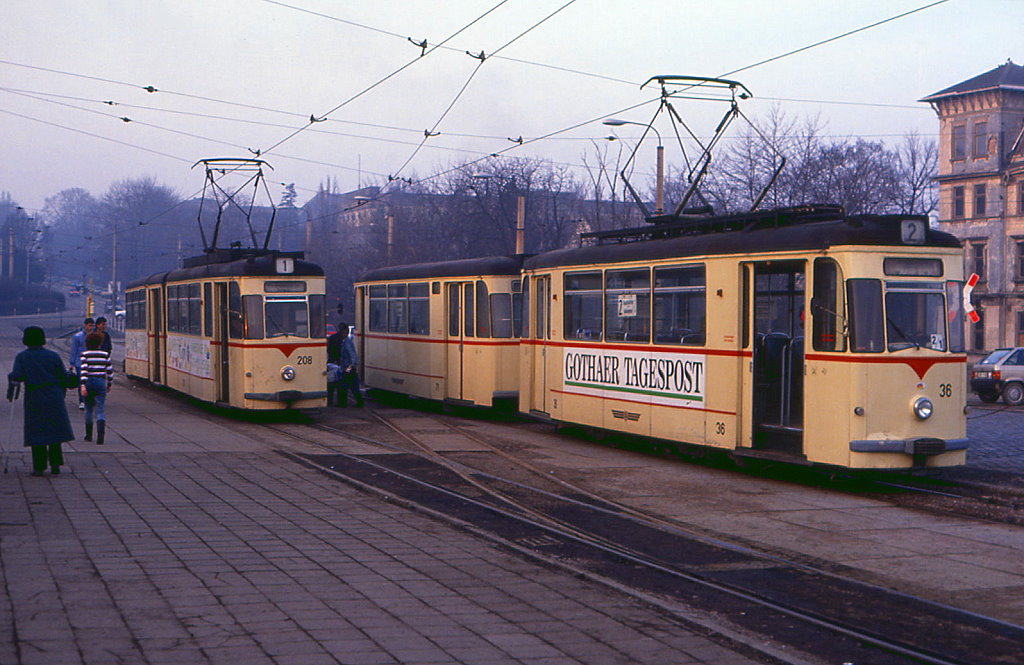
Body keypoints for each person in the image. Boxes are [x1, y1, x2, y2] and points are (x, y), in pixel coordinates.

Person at [7, 326, 76, 476]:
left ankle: (39, 467)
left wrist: (11, 380)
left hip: (34, 397)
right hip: (54, 396)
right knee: (54, 431)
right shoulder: (53, 356)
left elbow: (17, 376)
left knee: (37, 431)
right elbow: (63, 377)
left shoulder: (22, 357)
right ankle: (56, 464)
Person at [79, 332, 113, 445]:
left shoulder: (85, 354)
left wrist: (83, 385)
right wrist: (109, 384)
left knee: (88, 409)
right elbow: (110, 372)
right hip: (100, 382)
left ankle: (88, 435)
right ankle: (100, 436)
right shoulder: (105, 354)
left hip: (89, 382)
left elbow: (84, 371)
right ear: (100, 342)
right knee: (100, 409)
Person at [68, 317, 95, 411]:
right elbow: (73, 350)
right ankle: (82, 401)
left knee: (90, 381)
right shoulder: (77, 337)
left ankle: (89, 399)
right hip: (80, 362)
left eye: (92, 326)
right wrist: (72, 363)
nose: (90, 328)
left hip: (91, 361)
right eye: (89, 326)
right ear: (85, 325)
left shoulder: (93, 336)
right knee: (82, 382)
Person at [337, 323, 364, 408]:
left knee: (344, 387)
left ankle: (343, 403)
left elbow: (352, 356)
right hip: (348, 369)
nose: (340, 334)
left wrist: (349, 368)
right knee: (351, 387)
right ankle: (356, 402)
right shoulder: (346, 342)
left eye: (342, 332)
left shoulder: (347, 342)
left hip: (348, 369)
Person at [326, 321, 344, 407]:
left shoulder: (332, 338)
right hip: (338, 363)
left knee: (331, 384)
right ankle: (340, 402)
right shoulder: (344, 341)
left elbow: (329, 350)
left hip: (332, 362)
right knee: (339, 384)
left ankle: (330, 401)